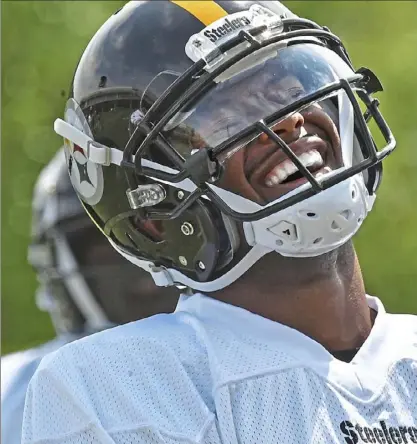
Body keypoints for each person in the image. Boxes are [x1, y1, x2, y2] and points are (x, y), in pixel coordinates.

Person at [23, 1, 417, 443]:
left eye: (293, 84)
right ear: (155, 214)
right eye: (229, 117)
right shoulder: (121, 388)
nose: (290, 119)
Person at [2, 149, 179, 444]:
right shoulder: (16, 392)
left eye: (156, 242)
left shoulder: (255, 359)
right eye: (112, 250)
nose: (147, 280)